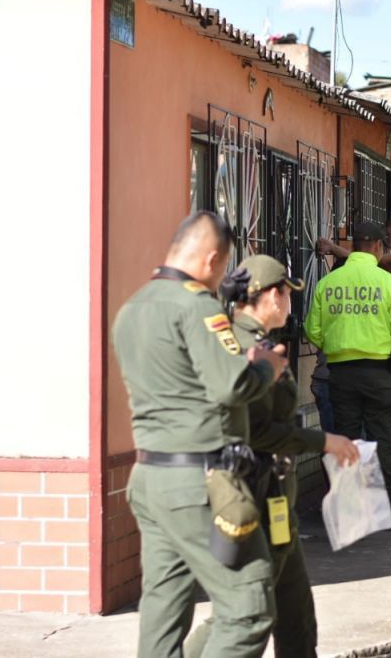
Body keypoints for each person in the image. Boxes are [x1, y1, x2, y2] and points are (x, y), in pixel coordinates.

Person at [111, 211, 289, 657]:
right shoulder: (196, 306)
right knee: (248, 606)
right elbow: (231, 384)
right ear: (212, 259)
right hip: (199, 481)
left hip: (150, 477)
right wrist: (266, 367)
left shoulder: (132, 308)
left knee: (163, 611)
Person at [208, 254, 360, 658]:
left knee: (296, 617)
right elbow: (256, 431)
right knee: (244, 614)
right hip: (251, 491)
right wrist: (323, 442)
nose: (291, 303)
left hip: (276, 495)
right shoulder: (240, 345)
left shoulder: (259, 343)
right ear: (271, 297)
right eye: (288, 294)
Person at [305, 221, 391, 530]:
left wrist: (338, 345)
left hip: (340, 373)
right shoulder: (389, 283)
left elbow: (312, 331)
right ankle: (382, 512)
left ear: (353, 245)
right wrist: (387, 345)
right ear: (380, 247)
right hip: (379, 373)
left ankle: (349, 512)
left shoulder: (329, 283)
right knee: (381, 440)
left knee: (347, 439)